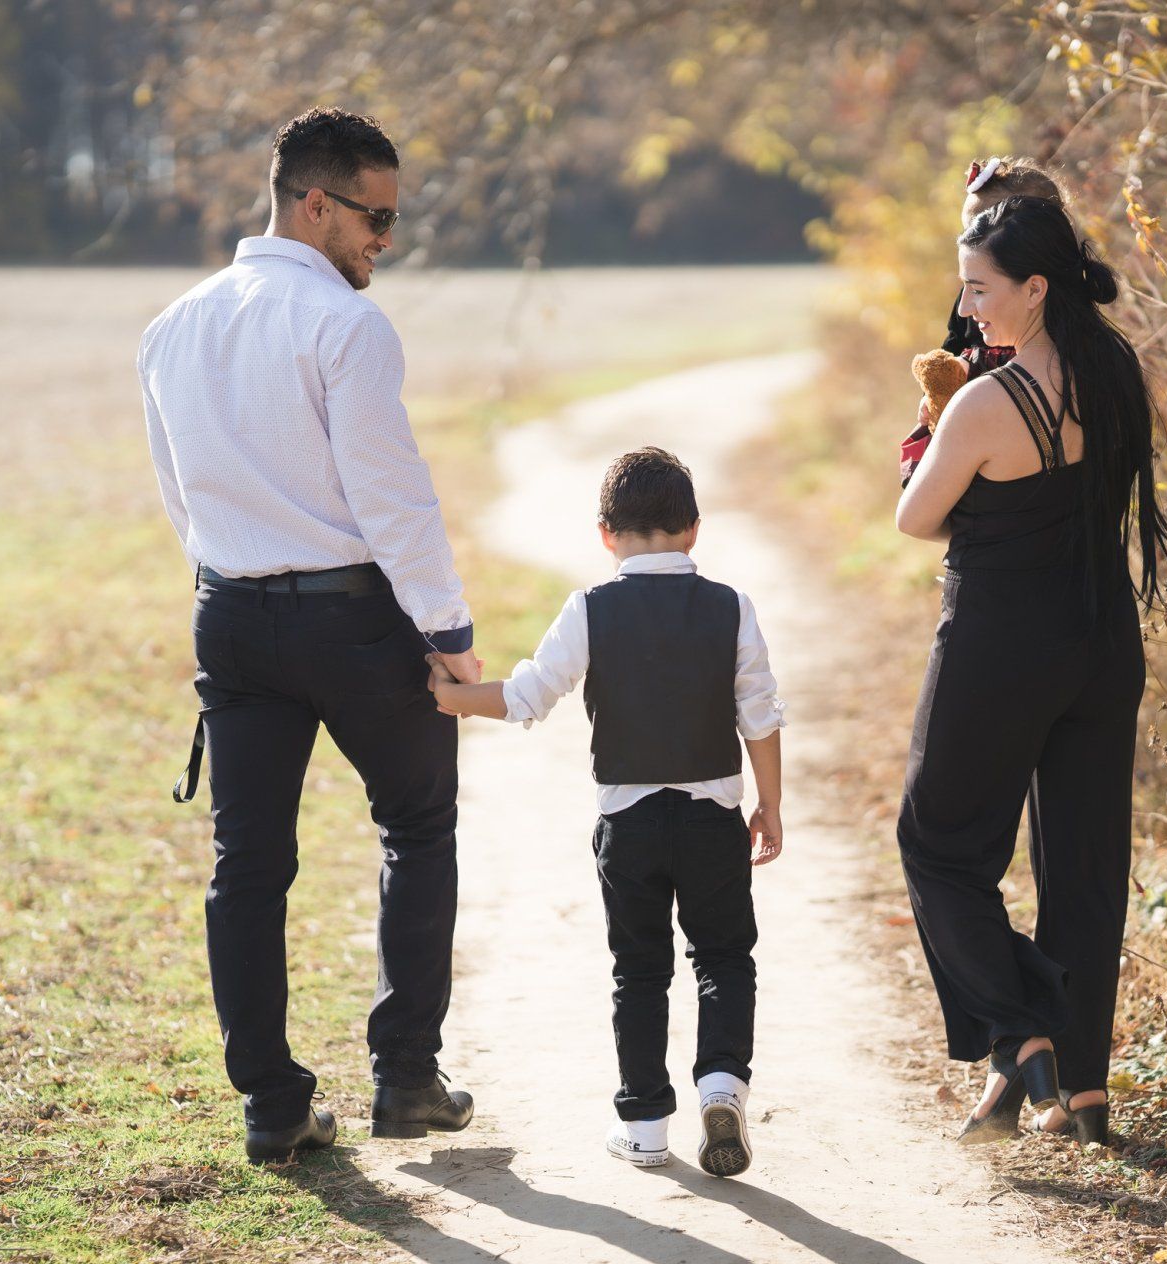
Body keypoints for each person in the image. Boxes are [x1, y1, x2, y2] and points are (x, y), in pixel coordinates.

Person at [138, 107, 479, 1163]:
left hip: (230, 615)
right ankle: (406, 1078)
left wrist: (231, 577)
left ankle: (272, 1104)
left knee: (246, 863)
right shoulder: (348, 326)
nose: (388, 240)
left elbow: (179, 493)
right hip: (354, 620)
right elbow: (393, 497)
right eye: (376, 219)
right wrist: (449, 631)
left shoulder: (172, 326)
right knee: (417, 825)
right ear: (316, 204)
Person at [894, 196, 1167, 1148]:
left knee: (939, 844)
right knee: (1085, 867)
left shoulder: (986, 402)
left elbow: (916, 517)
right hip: (1102, 642)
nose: (967, 308)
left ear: (1036, 288)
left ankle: (1022, 1035)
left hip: (1000, 646)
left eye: (980, 289)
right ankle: (1082, 1093)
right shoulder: (1118, 375)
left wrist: (932, 427)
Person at [426, 447, 786, 1177]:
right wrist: (769, 804)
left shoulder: (590, 608)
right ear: (694, 529)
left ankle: (646, 1126)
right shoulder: (731, 607)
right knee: (723, 956)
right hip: (713, 819)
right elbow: (760, 712)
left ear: (604, 535)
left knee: (640, 970)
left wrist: (448, 696)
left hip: (630, 825)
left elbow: (527, 696)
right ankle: (721, 1084)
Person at [903, 157, 1072, 483]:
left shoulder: (1061, 305)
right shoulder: (971, 300)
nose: (975, 238)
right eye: (970, 230)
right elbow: (954, 348)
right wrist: (940, 391)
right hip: (972, 405)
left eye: (984, 227)